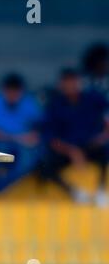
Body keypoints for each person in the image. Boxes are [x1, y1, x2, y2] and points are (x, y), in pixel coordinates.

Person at [40, 68, 109, 207]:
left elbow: (106, 114)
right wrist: (71, 151)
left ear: (79, 82)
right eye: (67, 83)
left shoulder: (93, 98)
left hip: (91, 145)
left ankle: (101, 191)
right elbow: (49, 136)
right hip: (67, 148)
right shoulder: (55, 104)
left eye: (73, 82)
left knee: (105, 150)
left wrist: (104, 135)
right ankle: (75, 193)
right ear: (61, 85)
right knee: (45, 166)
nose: (71, 86)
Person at [0, 73, 43, 203]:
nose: (12, 95)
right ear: (3, 91)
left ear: (21, 92)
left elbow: (38, 130)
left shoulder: (29, 103)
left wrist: (32, 138)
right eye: (9, 91)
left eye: (16, 92)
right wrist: (18, 138)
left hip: (22, 148)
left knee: (28, 161)